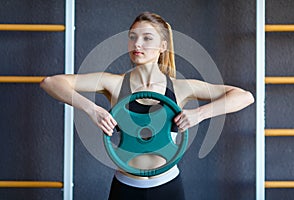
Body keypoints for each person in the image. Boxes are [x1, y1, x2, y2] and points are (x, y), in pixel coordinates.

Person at [40, 11, 254, 200]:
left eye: (146, 38)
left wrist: (200, 113)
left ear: (163, 46)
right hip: (125, 187)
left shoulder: (181, 88)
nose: (137, 44)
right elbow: (51, 82)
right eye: (132, 38)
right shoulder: (113, 84)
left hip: (168, 187)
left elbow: (244, 96)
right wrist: (91, 109)